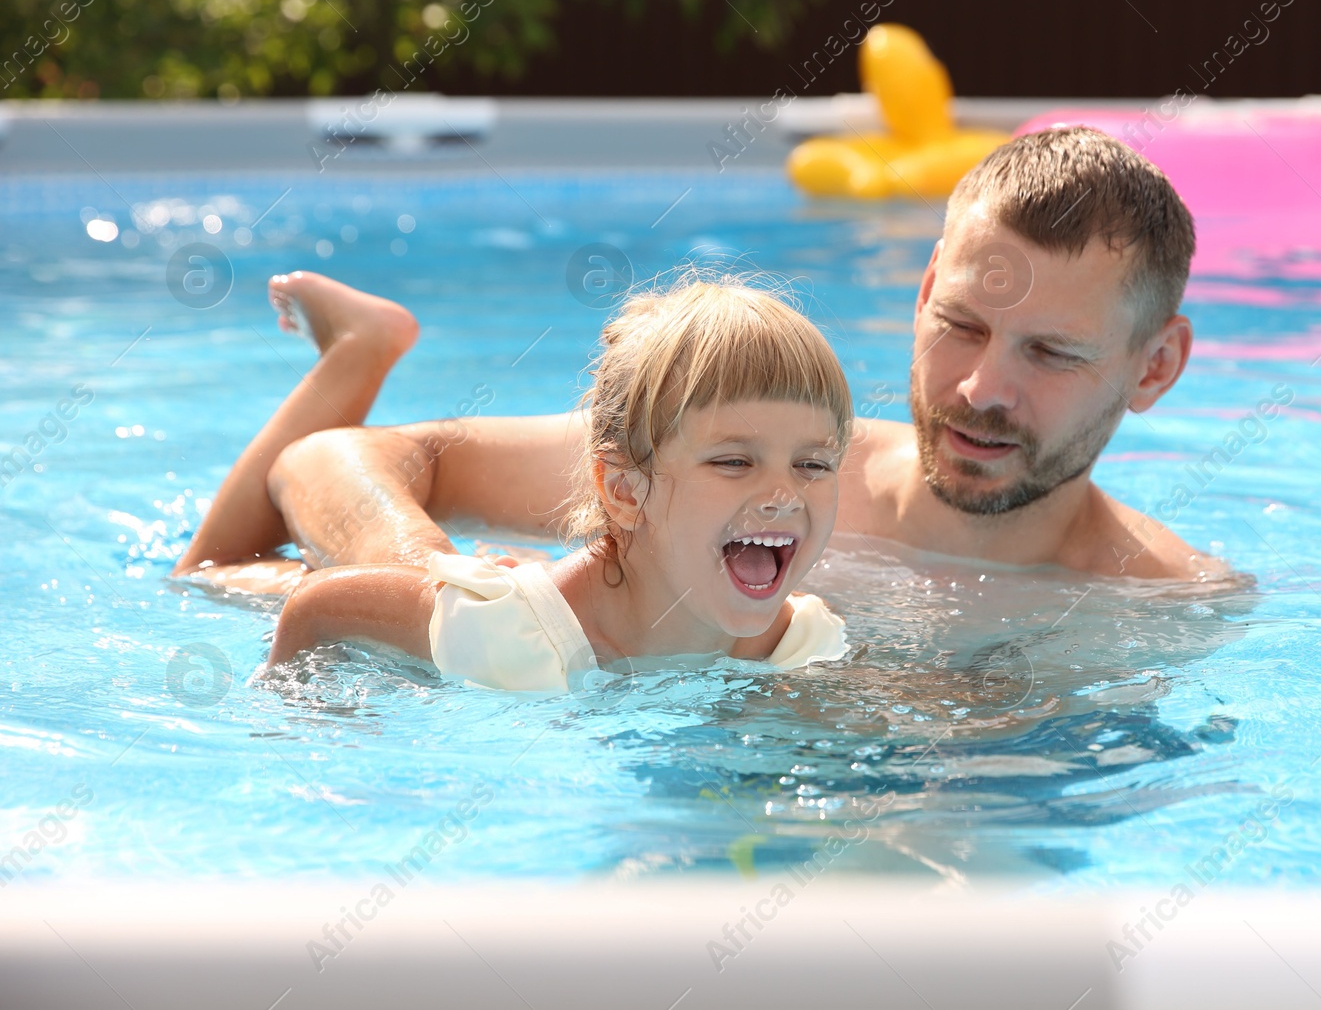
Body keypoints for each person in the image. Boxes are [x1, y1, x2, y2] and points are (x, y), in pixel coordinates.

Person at [268, 127, 1226, 582]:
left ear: (1155, 367)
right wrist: (426, 570)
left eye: (1052, 353)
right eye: (963, 326)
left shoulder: (1162, 609)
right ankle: (360, 350)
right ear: (927, 287)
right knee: (217, 582)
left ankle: (358, 346)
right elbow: (340, 462)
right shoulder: (774, 467)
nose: (982, 389)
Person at [174, 275, 856, 690]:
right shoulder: (504, 631)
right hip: (446, 586)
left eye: (813, 464)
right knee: (207, 571)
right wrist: (303, 705)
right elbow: (320, 605)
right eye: (734, 461)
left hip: (553, 579)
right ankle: (358, 347)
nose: (782, 494)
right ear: (623, 489)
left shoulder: (801, 643)